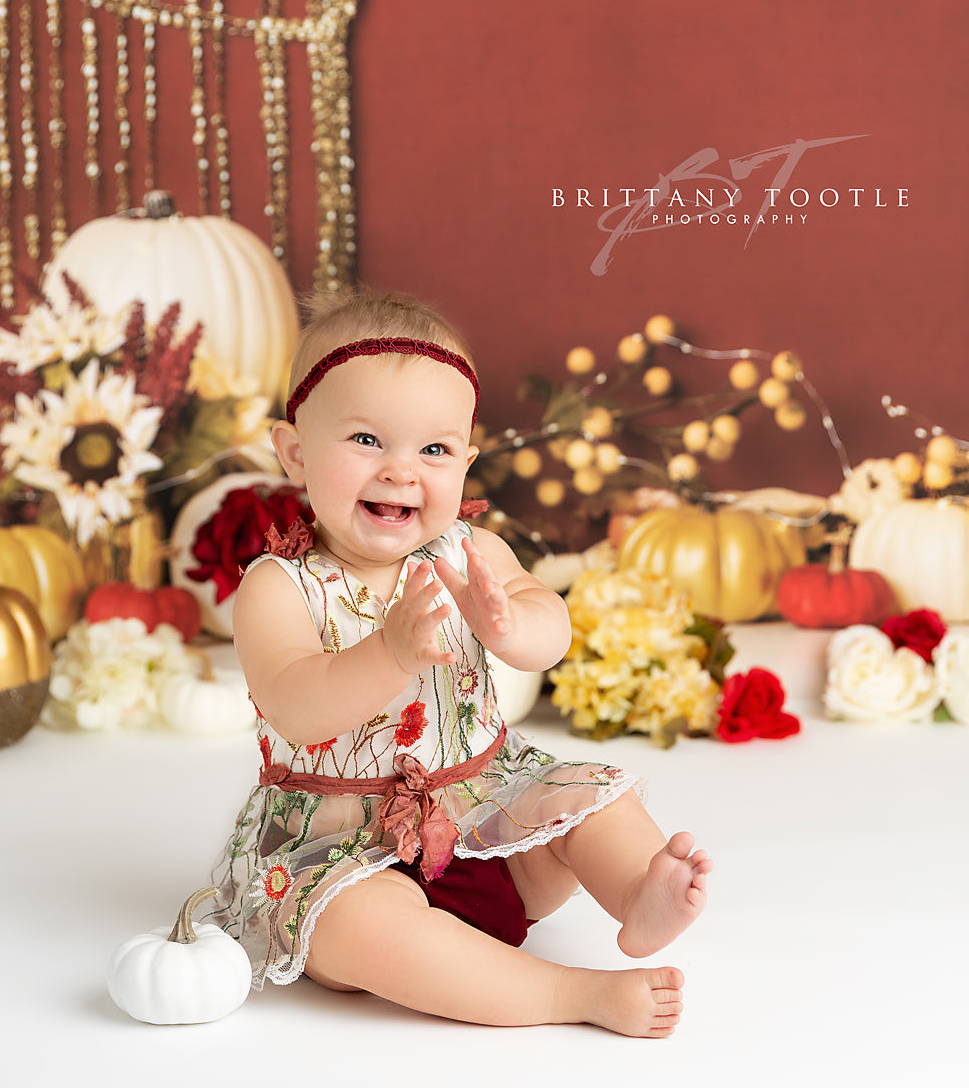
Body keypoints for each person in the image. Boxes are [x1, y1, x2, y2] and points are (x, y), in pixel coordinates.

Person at [204, 289, 712, 1034]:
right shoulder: (279, 587)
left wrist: (509, 623)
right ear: (295, 451)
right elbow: (295, 704)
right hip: (342, 849)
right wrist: (387, 652)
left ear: (467, 463)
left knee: (592, 798)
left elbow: (551, 629)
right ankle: (569, 995)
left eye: (434, 450)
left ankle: (638, 889)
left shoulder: (470, 553)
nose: (401, 472)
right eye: (367, 440)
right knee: (359, 927)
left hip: (489, 828)